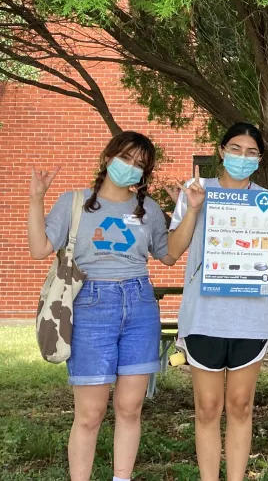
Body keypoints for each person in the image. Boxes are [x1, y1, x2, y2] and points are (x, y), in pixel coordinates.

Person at [28, 132, 175, 481]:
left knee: (130, 408)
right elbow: (38, 249)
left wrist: (192, 212)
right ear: (108, 157)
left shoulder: (148, 209)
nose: (131, 168)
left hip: (140, 305)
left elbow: (168, 255)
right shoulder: (74, 202)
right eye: (126, 158)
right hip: (90, 305)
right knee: (90, 414)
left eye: (140, 165)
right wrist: (36, 199)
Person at [167, 123, 268, 481]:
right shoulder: (196, 191)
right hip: (204, 316)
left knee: (240, 406)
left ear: (259, 159)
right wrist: (193, 209)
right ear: (221, 151)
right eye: (235, 149)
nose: (242, 157)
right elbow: (173, 252)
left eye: (251, 152)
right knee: (207, 408)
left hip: (249, 318)